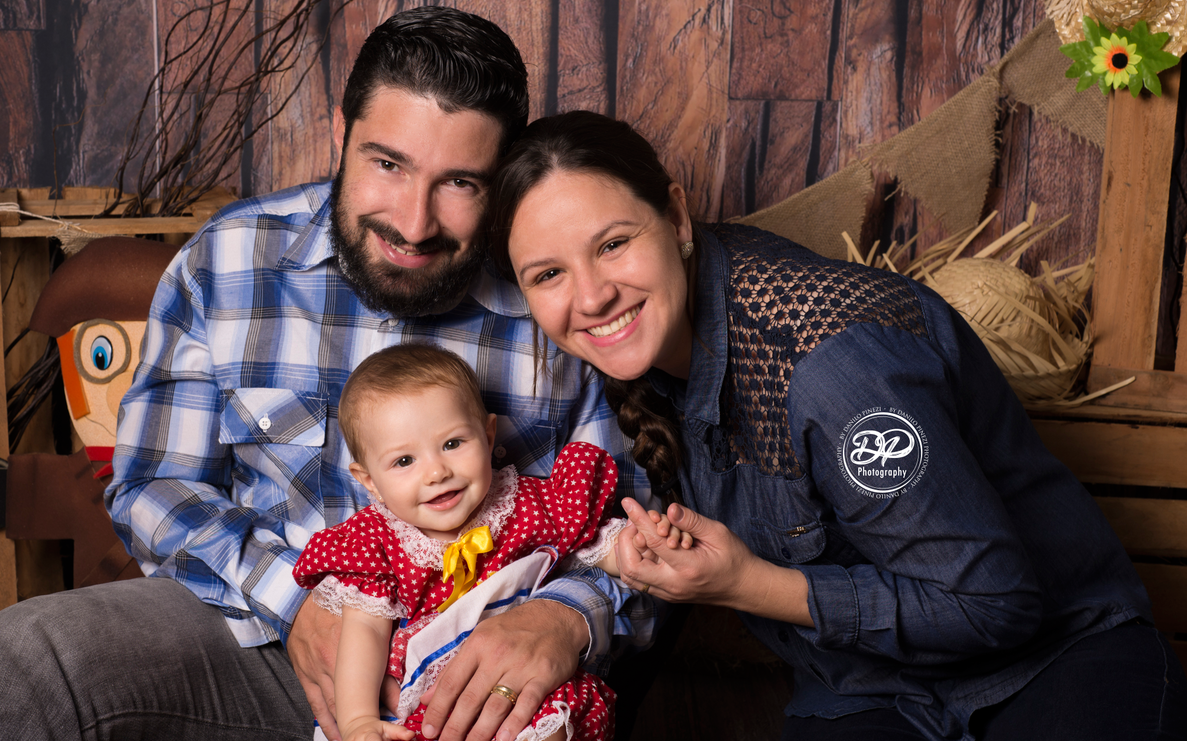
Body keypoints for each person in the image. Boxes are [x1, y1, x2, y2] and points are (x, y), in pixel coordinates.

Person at [0, 10, 656, 741]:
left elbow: (632, 521)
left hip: (477, 667)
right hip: (258, 642)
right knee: (24, 658)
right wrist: (295, 599)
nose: (414, 223)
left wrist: (566, 617)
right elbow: (153, 484)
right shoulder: (231, 258)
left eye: (460, 182)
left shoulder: (552, 291)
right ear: (341, 133)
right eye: (388, 164)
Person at [488, 110, 1187, 741]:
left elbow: (993, 605)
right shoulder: (627, 356)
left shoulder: (834, 368)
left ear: (675, 215)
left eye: (613, 244)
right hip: (864, 690)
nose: (591, 296)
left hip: (1049, 661)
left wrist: (745, 583)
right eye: (548, 274)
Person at [294, 344, 684, 741]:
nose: (436, 472)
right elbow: (364, 635)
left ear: (487, 434)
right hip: (423, 698)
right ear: (370, 482)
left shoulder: (524, 503)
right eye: (404, 461)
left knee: (550, 721)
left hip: (518, 679)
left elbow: (592, 543)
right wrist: (359, 721)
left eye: (452, 443)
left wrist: (635, 547)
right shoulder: (374, 542)